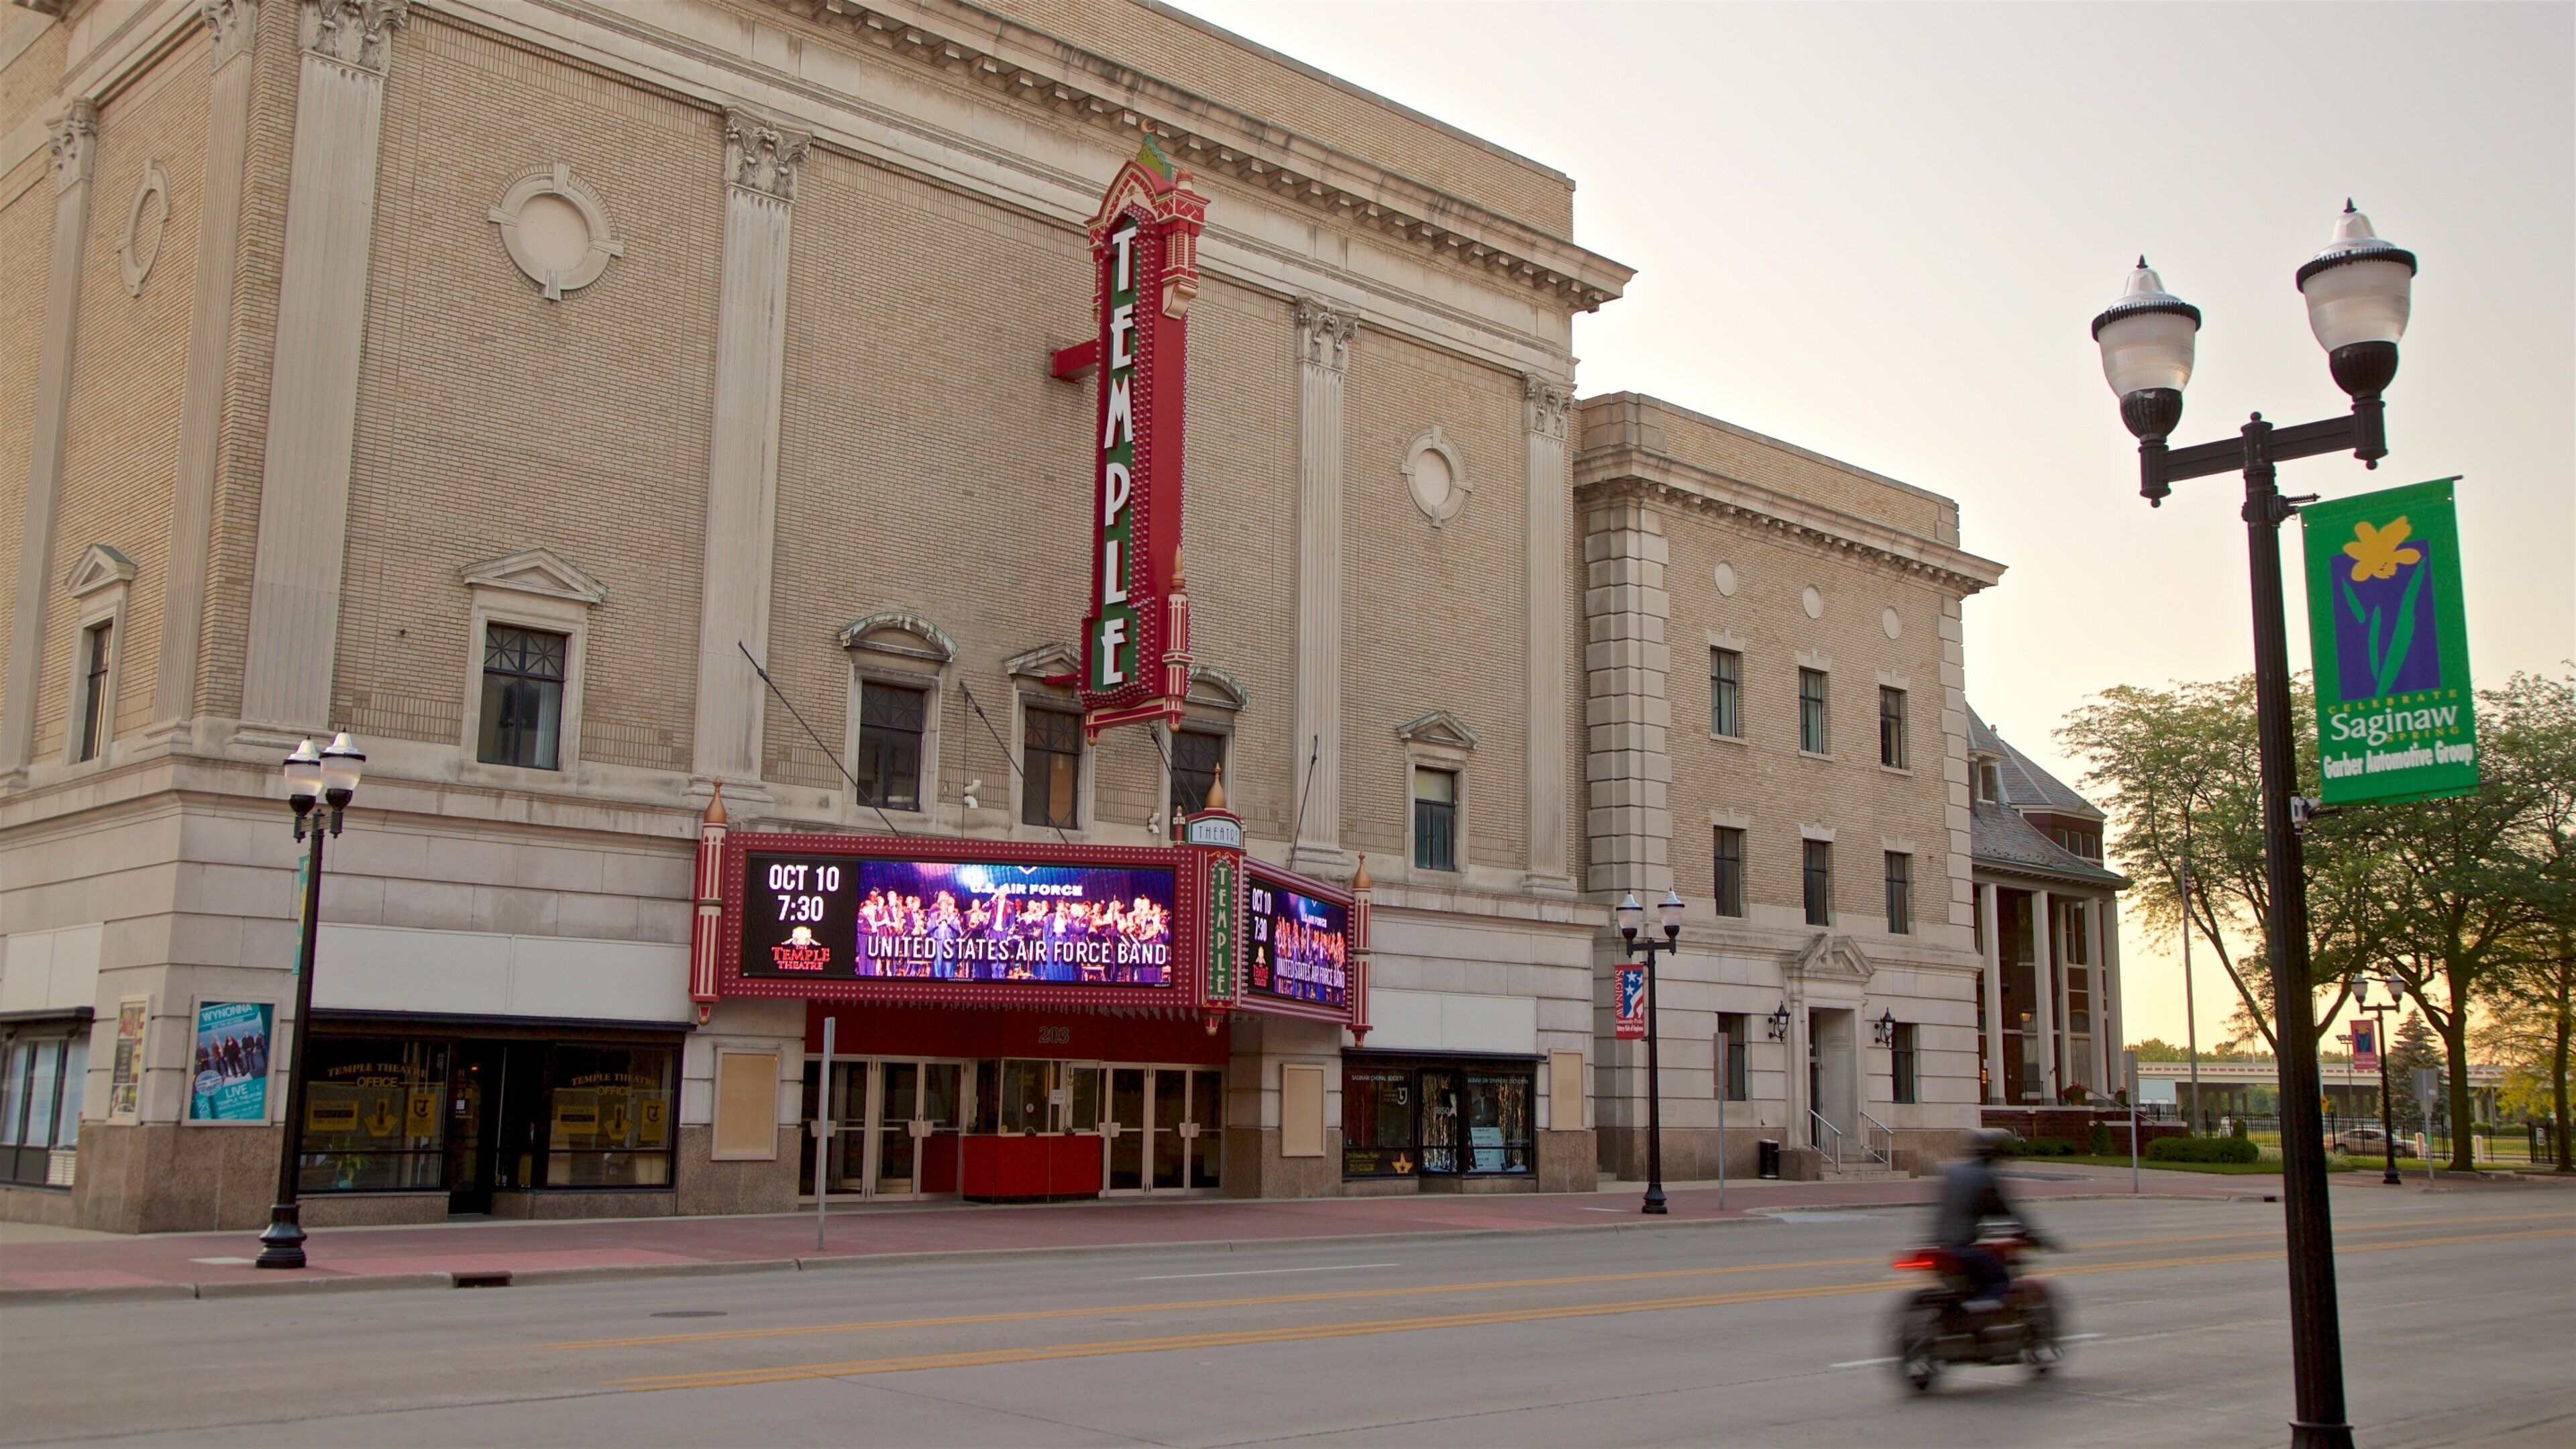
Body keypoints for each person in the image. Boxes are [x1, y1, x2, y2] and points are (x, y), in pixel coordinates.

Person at [1933, 1128, 2055, 1310]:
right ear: (1991, 1153)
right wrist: (2031, 1234)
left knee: (1976, 1274)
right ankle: (1978, 1312)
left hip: (1939, 1243)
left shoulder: (1954, 1170)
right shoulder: (1984, 1176)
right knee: (1999, 1279)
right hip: (1960, 1246)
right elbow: (2004, 1209)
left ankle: (1966, 1305)